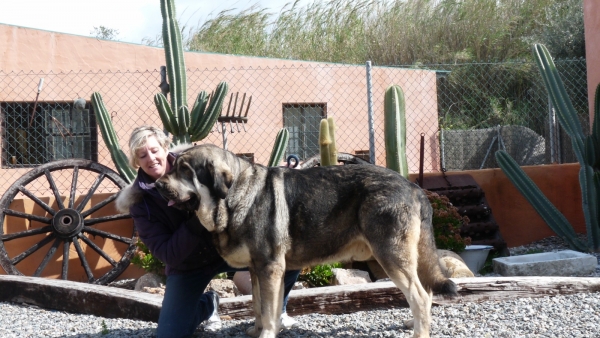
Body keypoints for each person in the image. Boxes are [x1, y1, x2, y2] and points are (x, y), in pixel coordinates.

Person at [116, 126, 301, 338]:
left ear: (165, 148)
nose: (151, 158)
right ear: (136, 162)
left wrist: (277, 173)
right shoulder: (140, 203)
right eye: (142, 155)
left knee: (285, 251)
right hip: (188, 265)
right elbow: (167, 254)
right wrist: (200, 219)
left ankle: (278, 310)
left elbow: (243, 178)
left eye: (154, 150)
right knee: (170, 335)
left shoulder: (198, 163)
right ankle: (208, 305)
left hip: (230, 249)